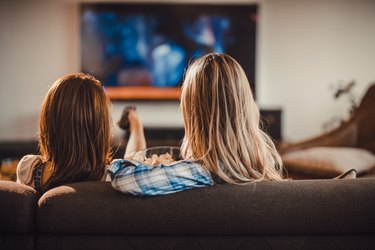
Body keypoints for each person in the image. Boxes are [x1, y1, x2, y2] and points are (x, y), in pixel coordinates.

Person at [109, 53, 284, 195]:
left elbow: (123, 180)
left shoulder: (200, 173)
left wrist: (126, 161)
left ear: (193, 114)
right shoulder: (260, 166)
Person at [16, 73, 113, 192]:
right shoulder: (113, 177)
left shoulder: (28, 169)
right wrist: (135, 128)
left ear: (48, 119)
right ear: (100, 125)